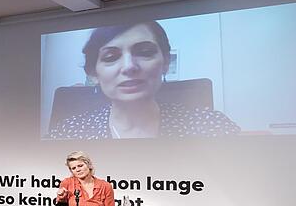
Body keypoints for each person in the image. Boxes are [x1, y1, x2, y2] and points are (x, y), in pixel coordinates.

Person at [50, 22, 240, 139]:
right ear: (93, 73)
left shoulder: (212, 127)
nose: (129, 66)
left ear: (165, 63)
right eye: (110, 57)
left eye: (145, 52)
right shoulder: (68, 133)